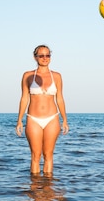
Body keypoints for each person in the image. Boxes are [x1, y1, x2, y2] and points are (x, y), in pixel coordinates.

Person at [16, 45, 69, 175]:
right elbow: (24, 98)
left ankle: (48, 190)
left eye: (47, 55)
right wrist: (19, 120)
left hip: (52, 118)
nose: (45, 58)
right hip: (33, 119)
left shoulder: (56, 76)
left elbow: (60, 98)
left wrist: (65, 120)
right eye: (41, 56)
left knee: (48, 155)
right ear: (35, 57)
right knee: (35, 155)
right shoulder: (28, 75)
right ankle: (34, 189)